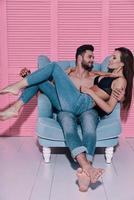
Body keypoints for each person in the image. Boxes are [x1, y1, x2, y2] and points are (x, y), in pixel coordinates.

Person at [0, 45, 133, 192]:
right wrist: (32, 76)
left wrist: (91, 92)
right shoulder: (110, 75)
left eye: (114, 58)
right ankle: (15, 107)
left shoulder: (121, 81)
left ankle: (16, 88)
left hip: (83, 102)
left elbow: (108, 108)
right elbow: (99, 75)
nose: (110, 59)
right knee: (39, 80)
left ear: (122, 63)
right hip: (72, 103)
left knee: (53, 67)